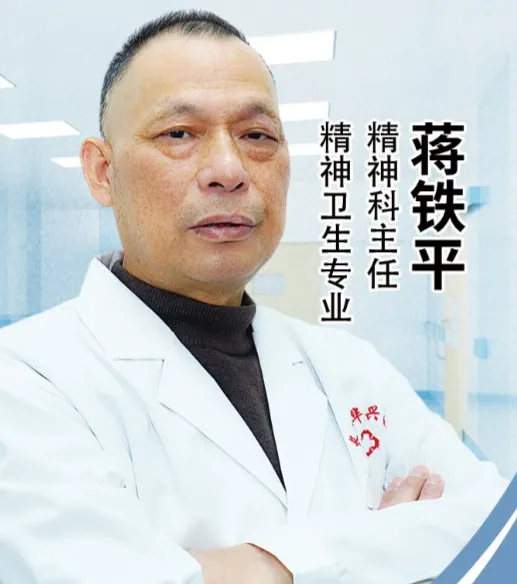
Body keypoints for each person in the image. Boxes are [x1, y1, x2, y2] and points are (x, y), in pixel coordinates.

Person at [0, 9, 508, 584]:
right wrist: (390, 545)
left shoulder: (349, 369)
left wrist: (255, 565)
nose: (228, 169)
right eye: (178, 134)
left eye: (257, 136)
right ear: (101, 171)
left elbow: (497, 532)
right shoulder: (24, 383)